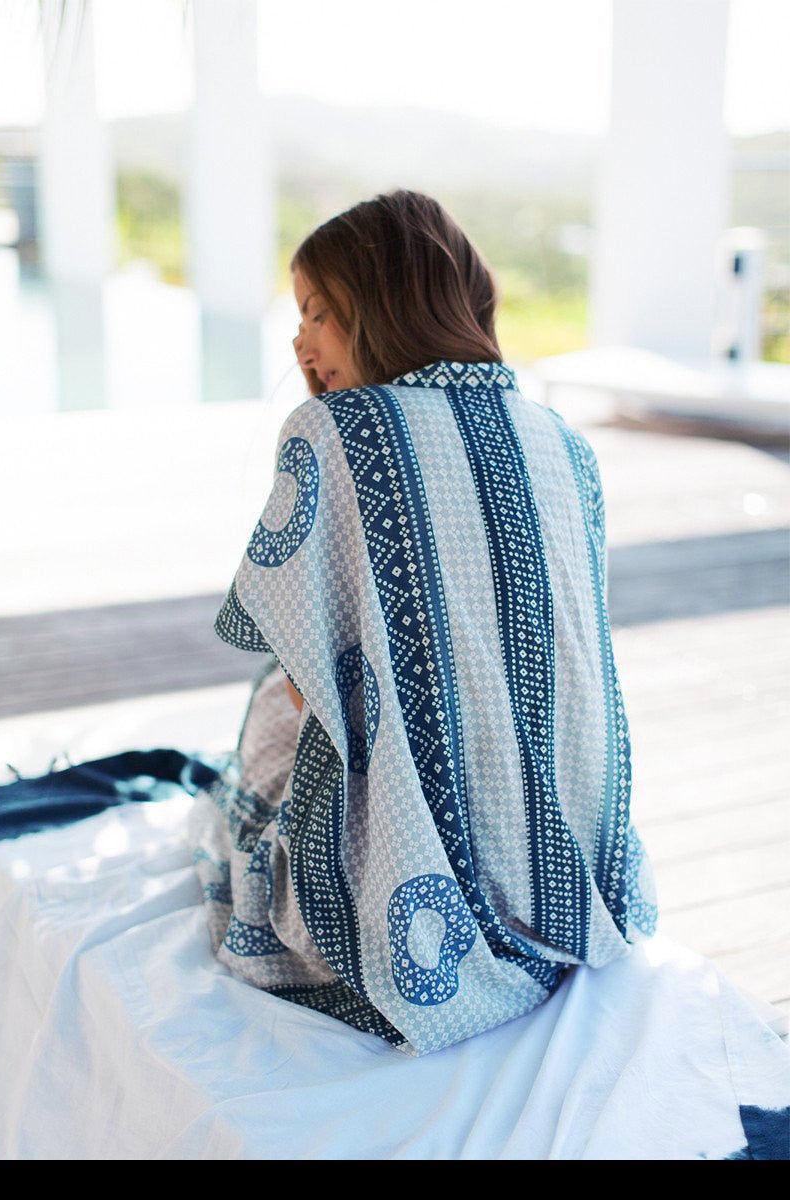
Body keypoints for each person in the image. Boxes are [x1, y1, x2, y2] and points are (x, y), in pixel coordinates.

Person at [188, 189, 659, 1056]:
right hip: (563, 865)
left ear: (382, 301)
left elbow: (304, 679)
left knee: (269, 696)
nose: (299, 342)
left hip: (388, 894)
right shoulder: (561, 440)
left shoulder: (336, 430)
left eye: (319, 311)